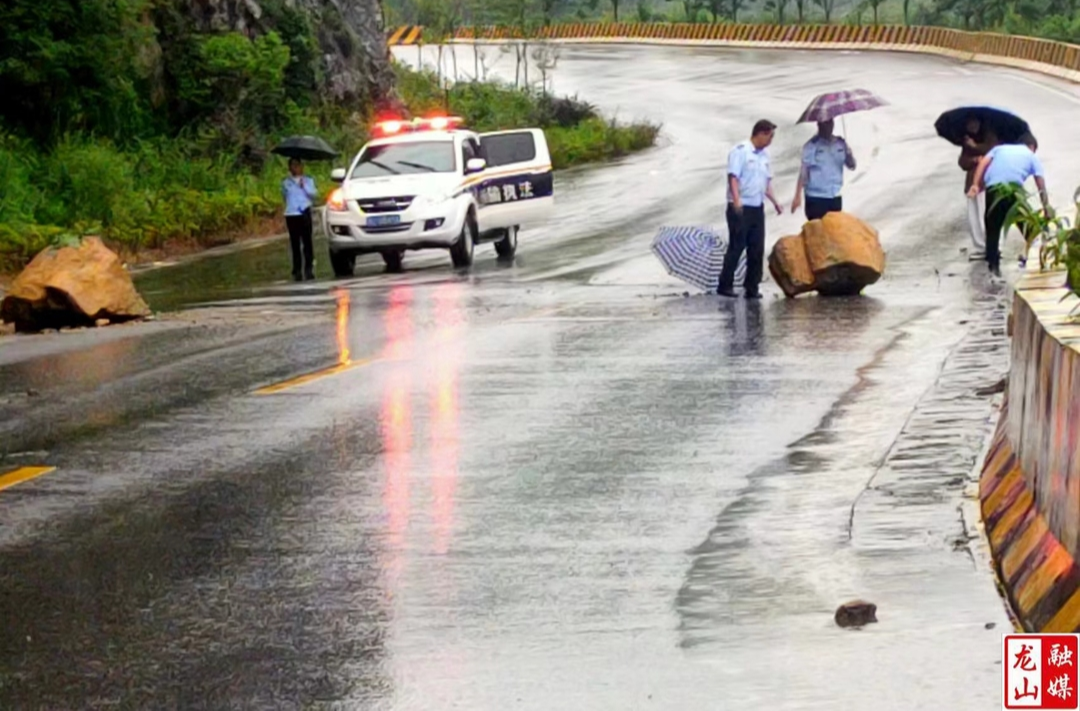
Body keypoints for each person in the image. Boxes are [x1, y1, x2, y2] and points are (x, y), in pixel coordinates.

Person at [967, 132, 1050, 277]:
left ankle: (993, 269)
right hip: (1013, 190)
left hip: (993, 190)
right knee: (1030, 228)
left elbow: (983, 163)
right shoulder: (1031, 155)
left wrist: (975, 184)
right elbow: (1040, 183)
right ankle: (1037, 258)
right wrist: (1046, 206)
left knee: (992, 229)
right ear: (1031, 146)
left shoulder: (999, 149)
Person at [718, 119, 783, 299]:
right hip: (740, 207)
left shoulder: (765, 156)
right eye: (769, 136)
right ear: (760, 133)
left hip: (757, 206)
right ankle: (725, 284)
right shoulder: (740, 151)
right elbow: (733, 178)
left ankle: (752, 287)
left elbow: (766, 182)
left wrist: (775, 201)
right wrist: (736, 200)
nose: (770, 140)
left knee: (757, 248)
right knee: (737, 246)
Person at [791, 118, 856, 220]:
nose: (828, 126)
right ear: (819, 125)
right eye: (824, 124)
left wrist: (849, 154)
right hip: (816, 197)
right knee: (817, 232)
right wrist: (797, 195)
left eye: (830, 123)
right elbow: (804, 171)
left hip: (835, 196)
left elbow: (852, 166)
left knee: (833, 233)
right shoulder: (811, 146)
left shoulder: (840, 143)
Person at [958, 116, 997, 261]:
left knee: (984, 215)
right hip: (971, 183)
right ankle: (980, 246)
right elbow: (962, 162)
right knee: (973, 216)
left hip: (986, 182)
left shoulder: (990, 136)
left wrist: (975, 146)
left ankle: (992, 246)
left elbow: (992, 151)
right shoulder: (967, 141)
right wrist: (973, 159)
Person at [282, 158, 319, 281]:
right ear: (290, 168)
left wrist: (304, 187)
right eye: (293, 165)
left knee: (307, 242)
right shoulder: (286, 183)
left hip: (304, 212)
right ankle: (296, 270)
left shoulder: (308, 180)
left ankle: (308, 268)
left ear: (302, 166)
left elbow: (314, 195)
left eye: (298, 165)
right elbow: (285, 196)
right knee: (295, 243)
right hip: (292, 214)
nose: (296, 168)